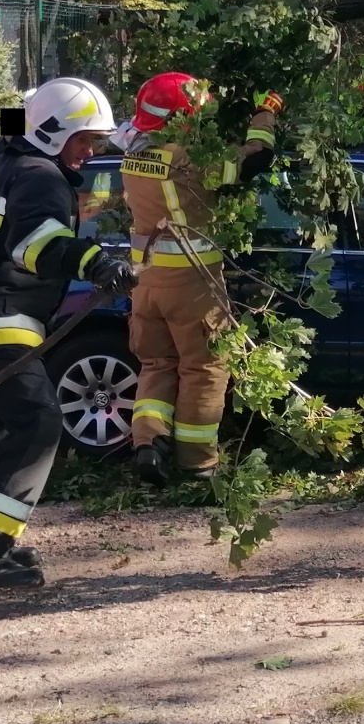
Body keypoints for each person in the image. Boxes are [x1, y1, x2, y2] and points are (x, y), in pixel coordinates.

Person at [0, 78, 135, 590]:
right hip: (4, 320)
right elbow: (36, 244)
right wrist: (98, 263)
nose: (90, 151)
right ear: (52, 132)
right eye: (84, 140)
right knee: (38, 426)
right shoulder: (42, 176)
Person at [114, 76, 281, 486]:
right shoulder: (186, 158)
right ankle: (197, 464)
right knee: (204, 368)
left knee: (157, 364)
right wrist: (266, 112)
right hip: (191, 283)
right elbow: (254, 159)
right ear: (183, 115)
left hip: (146, 283)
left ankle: (148, 443)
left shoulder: (133, 155)